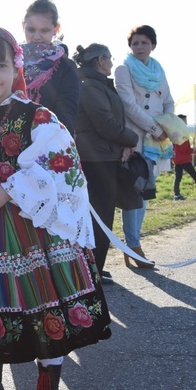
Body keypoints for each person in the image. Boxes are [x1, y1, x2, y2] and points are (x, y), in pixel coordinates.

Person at [0, 27, 111, 390]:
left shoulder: (37, 117)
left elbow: (61, 164)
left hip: (31, 230)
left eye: (1, 65)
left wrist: (6, 190)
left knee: (44, 312)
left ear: (16, 69)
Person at [73, 43, 138, 285]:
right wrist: (132, 139)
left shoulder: (95, 84)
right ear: (100, 60)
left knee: (100, 217)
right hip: (96, 160)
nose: (112, 62)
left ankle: (95, 268)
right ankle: (92, 271)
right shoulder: (90, 86)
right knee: (99, 218)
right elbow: (105, 123)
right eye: (109, 58)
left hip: (102, 156)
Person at [114, 24, 173, 269]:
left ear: (153, 45)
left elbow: (168, 101)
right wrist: (155, 128)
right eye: (135, 43)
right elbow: (128, 105)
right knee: (133, 193)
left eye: (144, 42)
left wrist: (168, 125)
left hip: (156, 142)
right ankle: (133, 245)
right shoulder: (123, 69)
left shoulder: (159, 71)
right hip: (135, 140)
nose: (139, 47)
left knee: (146, 192)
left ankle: (133, 244)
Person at [21, 0, 80, 135]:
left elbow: (67, 113)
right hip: (9, 138)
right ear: (23, 26)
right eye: (31, 30)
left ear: (55, 29)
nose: (36, 36)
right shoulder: (11, 61)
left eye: (44, 30)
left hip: (47, 139)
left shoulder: (65, 66)